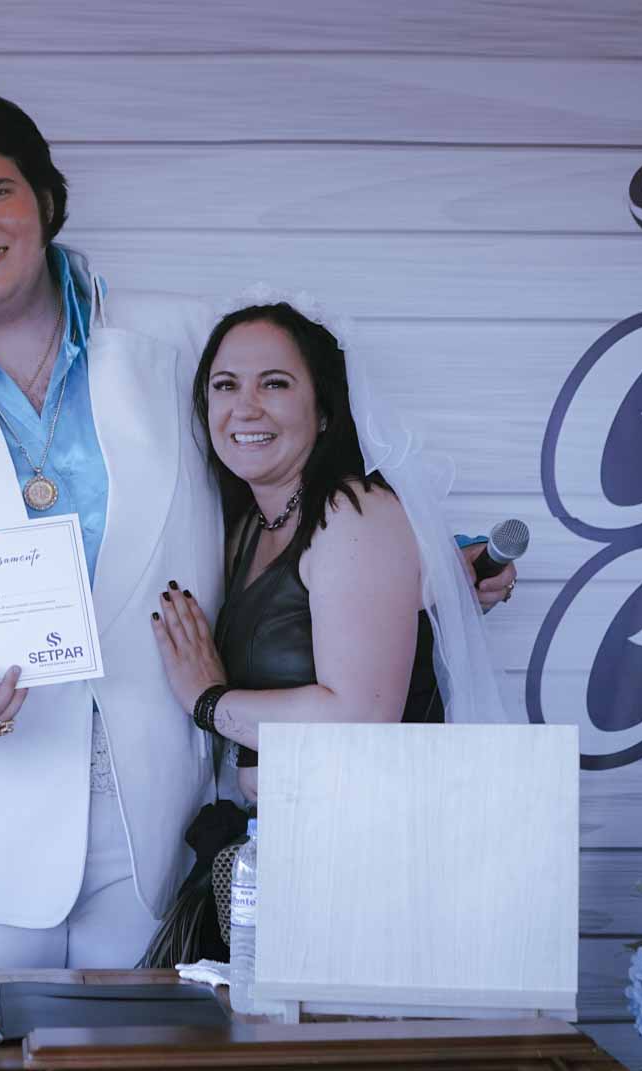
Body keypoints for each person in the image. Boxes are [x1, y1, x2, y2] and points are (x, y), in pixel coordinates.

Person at [0, 90, 519, 970]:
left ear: (45, 197)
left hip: (160, 815)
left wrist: (414, 568)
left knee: (140, 1061)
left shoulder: (182, 339)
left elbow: (278, 479)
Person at [152, 300, 510, 810]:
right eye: (225, 385)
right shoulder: (247, 525)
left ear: (323, 411)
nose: (245, 407)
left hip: (370, 830)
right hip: (288, 828)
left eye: (274, 384)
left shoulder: (352, 513)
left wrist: (207, 701)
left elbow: (360, 719)